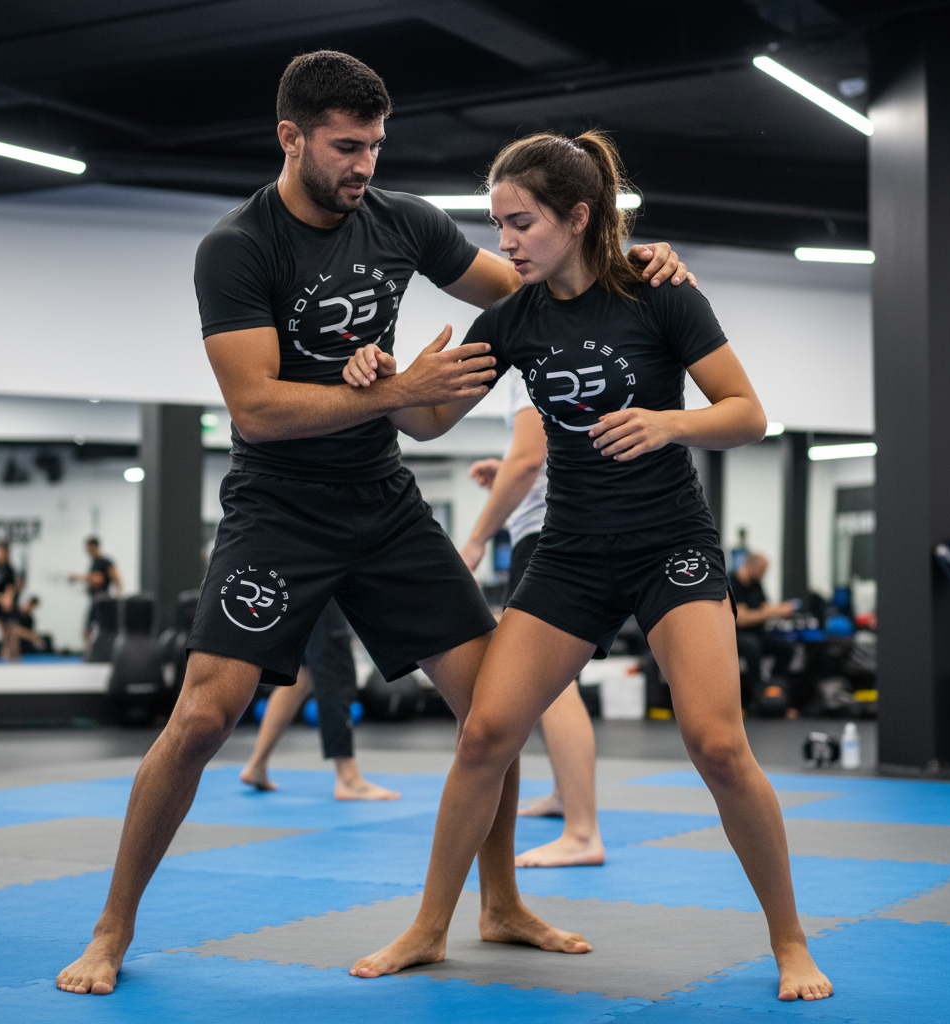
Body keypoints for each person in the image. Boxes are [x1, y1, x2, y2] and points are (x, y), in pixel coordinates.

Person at [55, 50, 689, 997]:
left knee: (493, 712)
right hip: (279, 507)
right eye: (346, 147)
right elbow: (256, 409)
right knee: (201, 718)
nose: (365, 165)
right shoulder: (239, 248)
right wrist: (395, 390)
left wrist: (633, 267)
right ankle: (112, 928)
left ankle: (501, 903)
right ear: (292, 137)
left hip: (383, 504)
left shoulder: (402, 221)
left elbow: (531, 285)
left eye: (375, 146)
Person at [345, 129, 831, 1002]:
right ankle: (431, 926)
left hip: (670, 547)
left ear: (577, 216)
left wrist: (669, 422)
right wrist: (385, 380)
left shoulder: (659, 294)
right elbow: (427, 423)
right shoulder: (515, 320)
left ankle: (790, 942)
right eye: (498, 225)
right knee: (485, 735)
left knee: (718, 745)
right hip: (571, 554)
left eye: (521, 223)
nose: (505, 243)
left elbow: (747, 413)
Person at [462, 368, 603, 868]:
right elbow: (536, 457)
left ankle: (582, 832)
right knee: (549, 680)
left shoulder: (534, 362)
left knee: (549, 682)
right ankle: (567, 797)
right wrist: (505, 473)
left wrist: (476, 538)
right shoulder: (569, 359)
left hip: (548, 534)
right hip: (567, 526)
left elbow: (529, 458)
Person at [240, 599, 401, 800]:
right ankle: (348, 778)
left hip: (299, 586)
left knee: (303, 674)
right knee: (333, 663)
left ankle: (257, 765)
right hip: (318, 584)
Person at [729, 552, 797, 714]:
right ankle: (756, 696)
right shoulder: (732, 583)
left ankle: (774, 687)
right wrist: (773, 612)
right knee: (752, 646)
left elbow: (766, 607)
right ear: (750, 566)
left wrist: (781, 610)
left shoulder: (756, 584)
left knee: (786, 648)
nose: (763, 574)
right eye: (762, 570)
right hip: (735, 635)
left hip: (756, 634)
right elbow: (742, 619)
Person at [69, 537, 122, 639]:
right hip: (95, 600)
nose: (87, 550)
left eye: (89, 547)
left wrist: (118, 595)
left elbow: (105, 579)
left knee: (98, 629)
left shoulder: (105, 562)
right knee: (88, 631)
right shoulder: (93, 563)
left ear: (94, 546)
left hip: (102, 600)